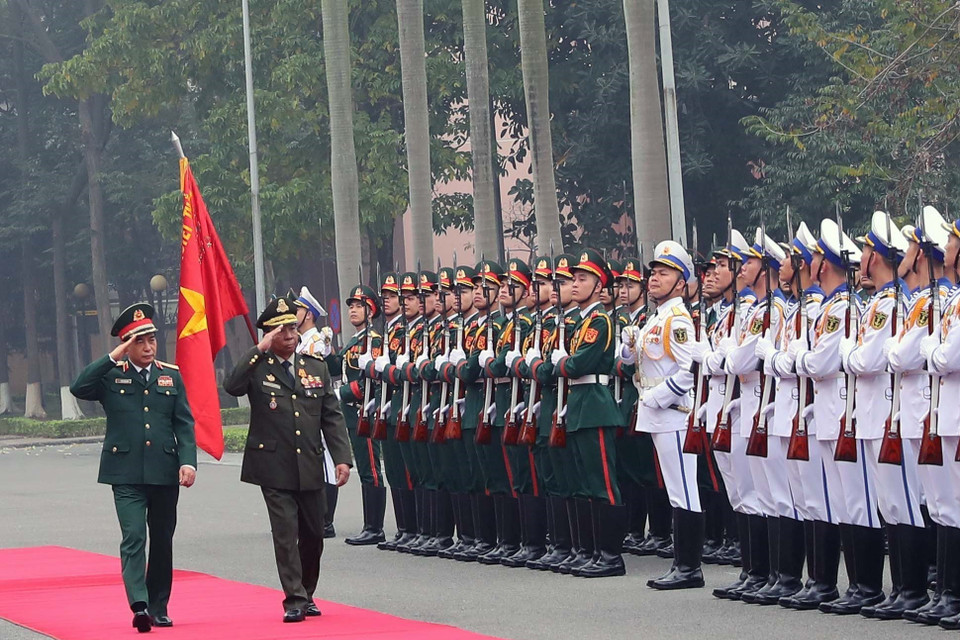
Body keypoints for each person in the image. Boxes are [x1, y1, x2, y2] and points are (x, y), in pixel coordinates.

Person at [223, 295, 352, 623]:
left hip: (309, 463)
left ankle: (307, 592)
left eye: (293, 329)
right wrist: (258, 350)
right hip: (273, 466)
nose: (290, 336)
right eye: (281, 331)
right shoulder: (257, 369)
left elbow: (331, 416)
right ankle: (294, 598)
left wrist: (342, 458)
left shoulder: (315, 366)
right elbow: (232, 385)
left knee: (313, 534)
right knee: (285, 532)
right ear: (268, 335)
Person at [70, 303, 197, 633]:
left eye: (151, 340)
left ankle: (159, 605)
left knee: (162, 539)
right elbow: (79, 387)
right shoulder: (111, 375)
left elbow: (183, 423)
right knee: (134, 536)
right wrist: (114, 356)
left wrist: (187, 461)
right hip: (124, 472)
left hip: (165, 471)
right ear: (127, 345)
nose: (148, 347)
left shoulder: (171, 376)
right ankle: (139, 604)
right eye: (139, 342)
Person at [621, 242, 702, 589]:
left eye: (664, 273)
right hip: (658, 414)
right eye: (653, 272)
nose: (654, 278)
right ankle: (681, 563)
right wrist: (628, 349)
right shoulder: (657, 317)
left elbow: (690, 370)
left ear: (681, 282)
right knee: (674, 490)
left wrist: (655, 397)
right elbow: (638, 364)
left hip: (673, 413)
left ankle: (689, 568)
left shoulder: (678, 320)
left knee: (684, 490)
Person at [324, 284, 387, 546]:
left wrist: (343, 394)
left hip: (366, 412)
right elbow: (339, 366)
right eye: (350, 306)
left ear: (370, 310)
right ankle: (369, 525)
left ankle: (375, 527)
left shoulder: (373, 341)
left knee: (371, 469)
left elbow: (370, 383)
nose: (352, 310)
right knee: (364, 468)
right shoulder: (355, 340)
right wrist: (328, 353)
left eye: (358, 306)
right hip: (352, 415)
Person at [292, 286, 340, 538]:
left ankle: (325, 520)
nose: (294, 314)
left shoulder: (316, 342)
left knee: (326, 464)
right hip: (303, 409)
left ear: (308, 314)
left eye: (297, 309)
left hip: (317, 408)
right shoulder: (301, 342)